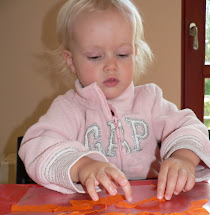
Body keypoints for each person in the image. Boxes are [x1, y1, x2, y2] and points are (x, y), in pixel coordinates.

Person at [19, 0, 210, 202]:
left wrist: (183, 157)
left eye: (122, 54)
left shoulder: (150, 100)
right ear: (71, 61)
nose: (111, 65)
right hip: (91, 211)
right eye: (95, 56)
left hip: (152, 207)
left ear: (135, 54)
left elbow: (189, 127)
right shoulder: (68, 108)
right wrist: (82, 165)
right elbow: (37, 147)